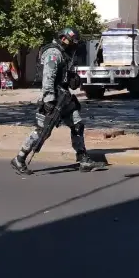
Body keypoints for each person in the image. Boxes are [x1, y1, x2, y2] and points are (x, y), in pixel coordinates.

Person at [11, 27, 104, 174]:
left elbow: (65, 77)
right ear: (63, 39)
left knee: (77, 124)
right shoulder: (53, 53)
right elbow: (48, 78)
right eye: (72, 41)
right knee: (42, 131)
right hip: (53, 99)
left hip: (64, 99)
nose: (73, 45)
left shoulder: (64, 54)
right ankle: (20, 158)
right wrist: (49, 100)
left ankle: (83, 158)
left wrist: (73, 79)